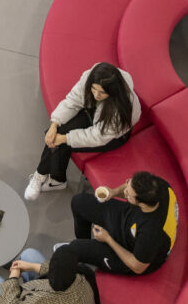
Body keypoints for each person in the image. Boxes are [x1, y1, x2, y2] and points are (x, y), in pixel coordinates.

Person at [25, 62, 141, 201]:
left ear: (112, 91)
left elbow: (98, 136)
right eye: (93, 89)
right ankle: (45, 176)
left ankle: (51, 179)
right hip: (95, 114)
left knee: (63, 142)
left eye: (102, 92)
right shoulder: (90, 78)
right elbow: (72, 101)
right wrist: (54, 124)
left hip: (113, 137)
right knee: (59, 132)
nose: (96, 94)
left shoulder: (121, 109)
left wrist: (65, 138)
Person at [65, 172, 178, 276]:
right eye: (128, 185)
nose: (124, 192)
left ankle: (85, 249)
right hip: (128, 219)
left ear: (142, 204)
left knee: (75, 247)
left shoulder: (151, 233)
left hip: (132, 255)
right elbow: (130, 188)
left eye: (128, 194)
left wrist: (108, 239)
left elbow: (137, 267)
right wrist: (113, 192)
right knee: (78, 202)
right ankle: (86, 243)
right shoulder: (158, 185)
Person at [0, 246, 99, 304]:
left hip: (36, 300)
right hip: (64, 300)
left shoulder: (36, 303)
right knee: (29, 254)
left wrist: (12, 278)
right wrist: (32, 266)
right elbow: (62, 269)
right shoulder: (83, 276)